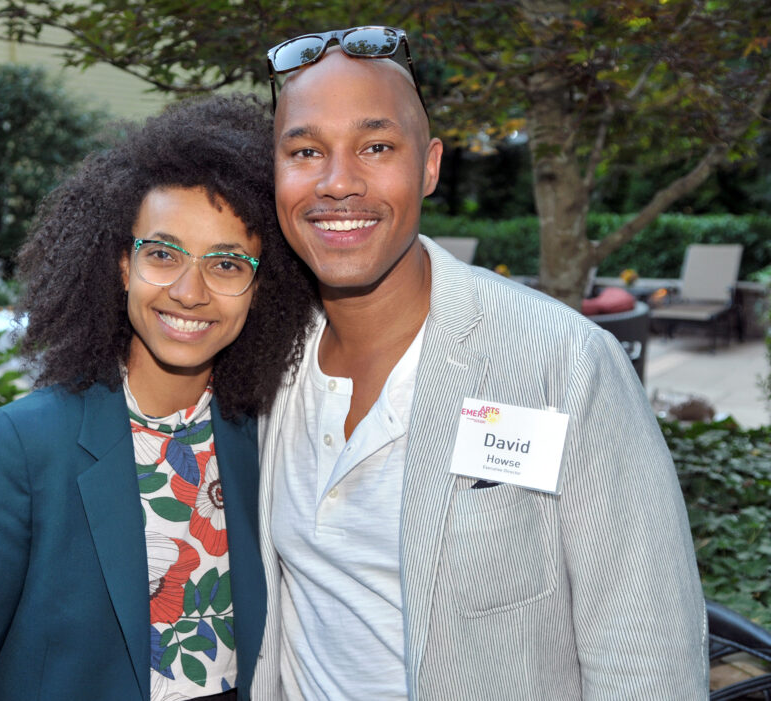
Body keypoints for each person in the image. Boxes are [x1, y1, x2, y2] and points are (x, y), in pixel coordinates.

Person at [251, 27, 708, 700]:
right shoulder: (266, 360)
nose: (338, 181)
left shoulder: (564, 362)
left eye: (377, 147)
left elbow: (648, 657)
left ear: (430, 166)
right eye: (305, 150)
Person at [0, 94, 316, 701]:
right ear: (121, 264)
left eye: (226, 264)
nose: (190, 292)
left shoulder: (265, 434)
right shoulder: (25, 444)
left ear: (261, 286)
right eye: (164, 255)